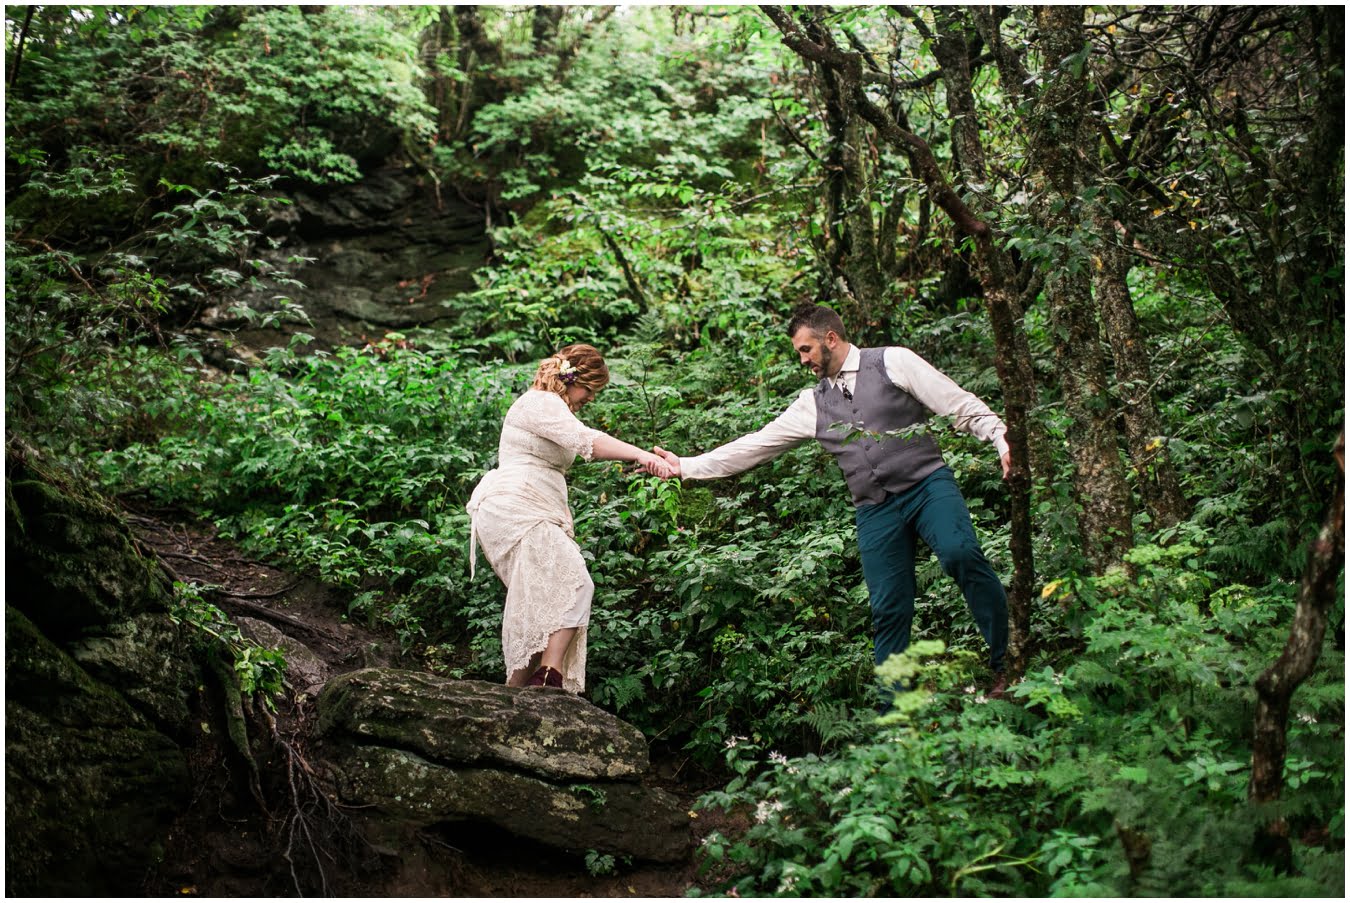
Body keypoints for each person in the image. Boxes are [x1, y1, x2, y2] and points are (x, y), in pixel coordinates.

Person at [653, 305, 1012, 699]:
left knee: (961, 553)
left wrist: (1000, 437)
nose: (802, 360)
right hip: (875, 508)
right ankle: (895, 709)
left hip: (927, 484)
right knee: (888, 607)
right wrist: (686, 466)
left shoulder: (893, 361)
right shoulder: (813, 403)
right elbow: (755, 446)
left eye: (805, 349)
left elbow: (955, 402)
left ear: (830, 339)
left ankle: (1007, 662)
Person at [468, 344, 673, 693]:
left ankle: (513, 694)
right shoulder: (540, 402)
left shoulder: (552, 408)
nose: (590, 399)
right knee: (577, 583)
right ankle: (550, 676)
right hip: (516, 506)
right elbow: (587, 440)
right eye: (589, 390)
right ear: (570, 378)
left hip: (531, 507)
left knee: (544, 605)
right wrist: (642, 455)